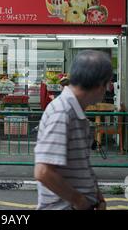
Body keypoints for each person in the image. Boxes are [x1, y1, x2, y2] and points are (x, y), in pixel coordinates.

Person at [34, 50, 112, 210]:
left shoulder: (75, 111)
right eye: (107, 84)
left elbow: (80, 162)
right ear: (99, 85)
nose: (108, 89)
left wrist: (96, 195)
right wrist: (79, 201)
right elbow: (43, 172)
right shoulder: (62, 113)